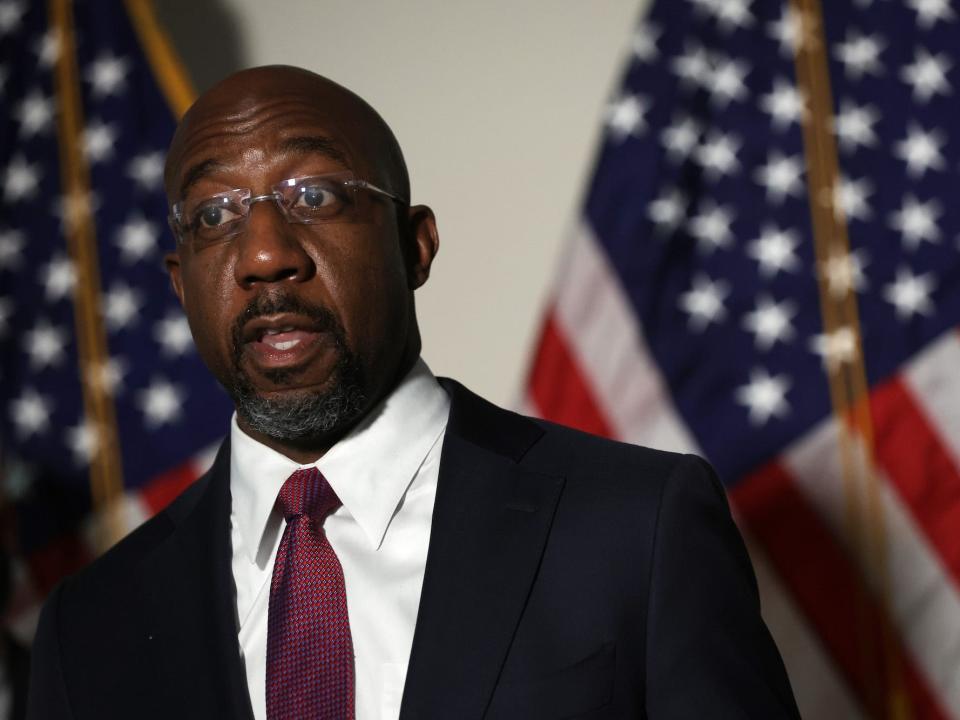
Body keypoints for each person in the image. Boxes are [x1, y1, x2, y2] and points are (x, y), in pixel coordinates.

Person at [27, 66, 800, 719]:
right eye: (214, 214)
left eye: (315, 195)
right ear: (180, 285)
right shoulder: (90, 624)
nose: (264, 254)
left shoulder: (639, 527)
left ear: (416, 244)